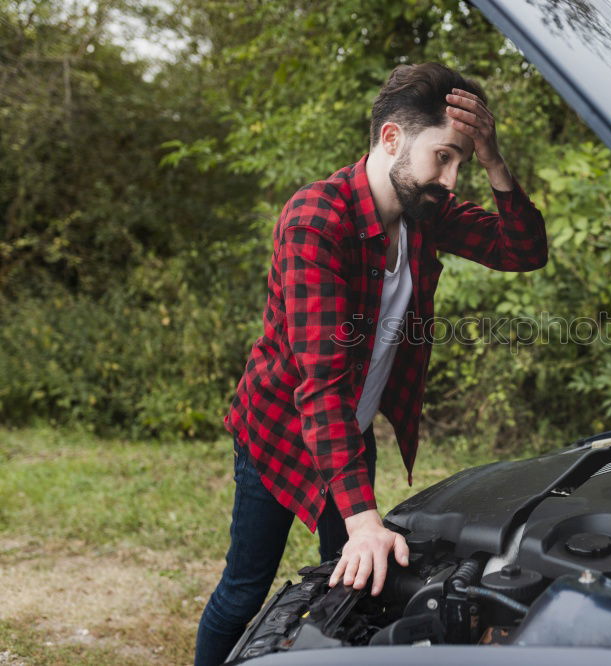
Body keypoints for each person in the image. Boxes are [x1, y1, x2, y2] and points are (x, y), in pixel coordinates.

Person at [194, 62, 547, 665]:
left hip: (348, 436)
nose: (453, 178)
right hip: (279, 432)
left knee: (352, 582)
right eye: (444, 157)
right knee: (245, 589)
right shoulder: (316, 220)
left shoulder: (424, 212)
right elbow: (322, 384)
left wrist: (493, 158)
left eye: (462, 161)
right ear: (392, 139)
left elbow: (523, 250)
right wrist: (363, 519)